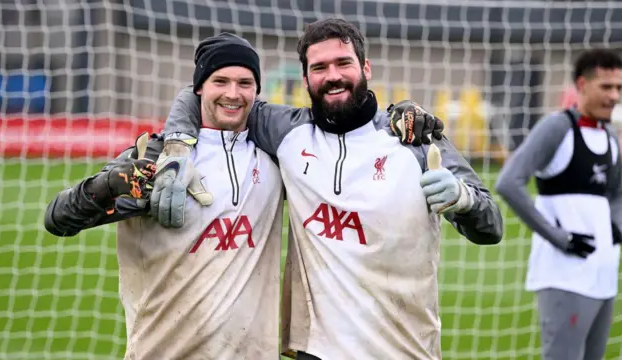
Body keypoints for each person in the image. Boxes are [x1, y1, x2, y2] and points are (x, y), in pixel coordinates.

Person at [155, 19, 503, 360]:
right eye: (319, 67)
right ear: (305, 77)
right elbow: (208, 91)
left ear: (365, 67)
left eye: (343, 63)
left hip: (403, 347)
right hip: (315, 350)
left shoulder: (413, 137)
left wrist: (463, 198)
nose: (333, 75)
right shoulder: (285, 131)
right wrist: (177, 146)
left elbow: (491, 227)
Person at [43, 33, 285, 360]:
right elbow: (58, 219)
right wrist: (108, 185)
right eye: (220, 81)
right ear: (198, 88)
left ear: (256, 89)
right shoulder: (158, 159)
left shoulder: (275, 160)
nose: (233, 93)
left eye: (245, 82)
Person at [496, 48, 622, 360]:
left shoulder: (611, 137)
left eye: (619, 88)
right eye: (606, 87)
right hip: (564, 276)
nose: (614, 96)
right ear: (581, 84)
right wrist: (560, 238)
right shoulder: (557, 128)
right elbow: (509, 183)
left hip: (603, 276)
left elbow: (617, 194)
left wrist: (616, 227)